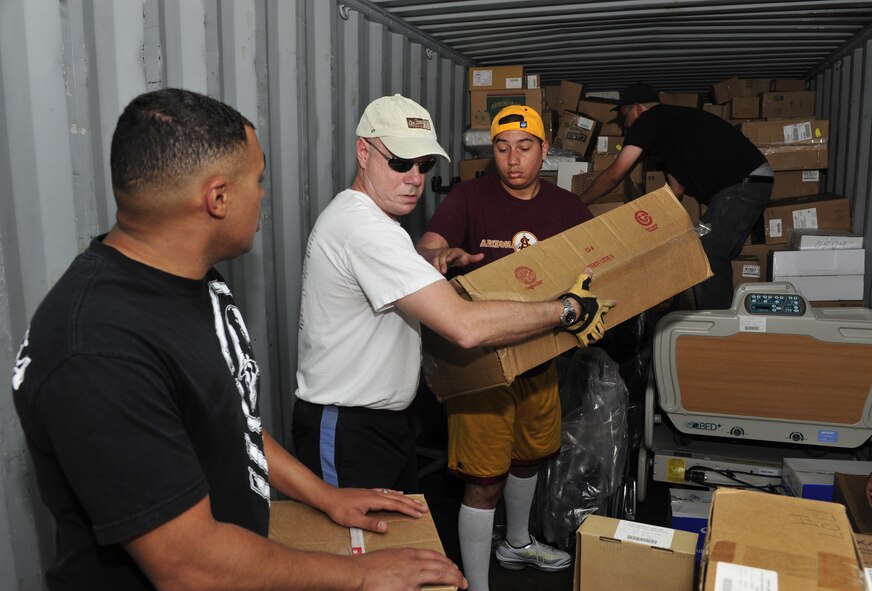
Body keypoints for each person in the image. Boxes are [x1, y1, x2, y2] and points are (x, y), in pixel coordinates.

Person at [11, 88, 468, 591]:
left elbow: (232, 419)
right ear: (218, 197)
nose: (264, 195)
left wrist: (324, 494)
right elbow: (189, 565)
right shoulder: (97, 349)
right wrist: (360, 576)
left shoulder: (198, 283)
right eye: (258, 180)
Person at [291, 95, 611, 498]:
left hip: (383, 423)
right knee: (351, 555)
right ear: (363, 151)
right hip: (347, 426)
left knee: (393, 552)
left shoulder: (379, 225)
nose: (415, 178)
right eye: (399, 162)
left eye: (424, 165)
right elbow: (464, 326)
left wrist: (433, 262)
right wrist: (566, 309)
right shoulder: (364, 228)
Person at [416, 105, 593, 590]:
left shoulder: (568, 209)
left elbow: (599, 267)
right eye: (502, 148)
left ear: (544, 149)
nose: (513, 160)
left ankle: (516, 543)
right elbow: (428, 245)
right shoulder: (469, 197)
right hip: (482, 362)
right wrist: (437, 255)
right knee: (484, 479)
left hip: (542, 356)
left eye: (524, 147)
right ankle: (477, 584)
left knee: (529, 456)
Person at [578, 82, 774, 310]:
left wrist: (580, 201)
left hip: (743, 183)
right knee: (704, 246)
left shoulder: (649, 119)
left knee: (704, 249)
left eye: (625, 117)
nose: (626, 126)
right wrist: (648, 228)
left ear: (637, 109)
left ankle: (718, 324)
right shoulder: (672, 129)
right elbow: (676, 189)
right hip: (748, 182)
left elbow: (615, 173)